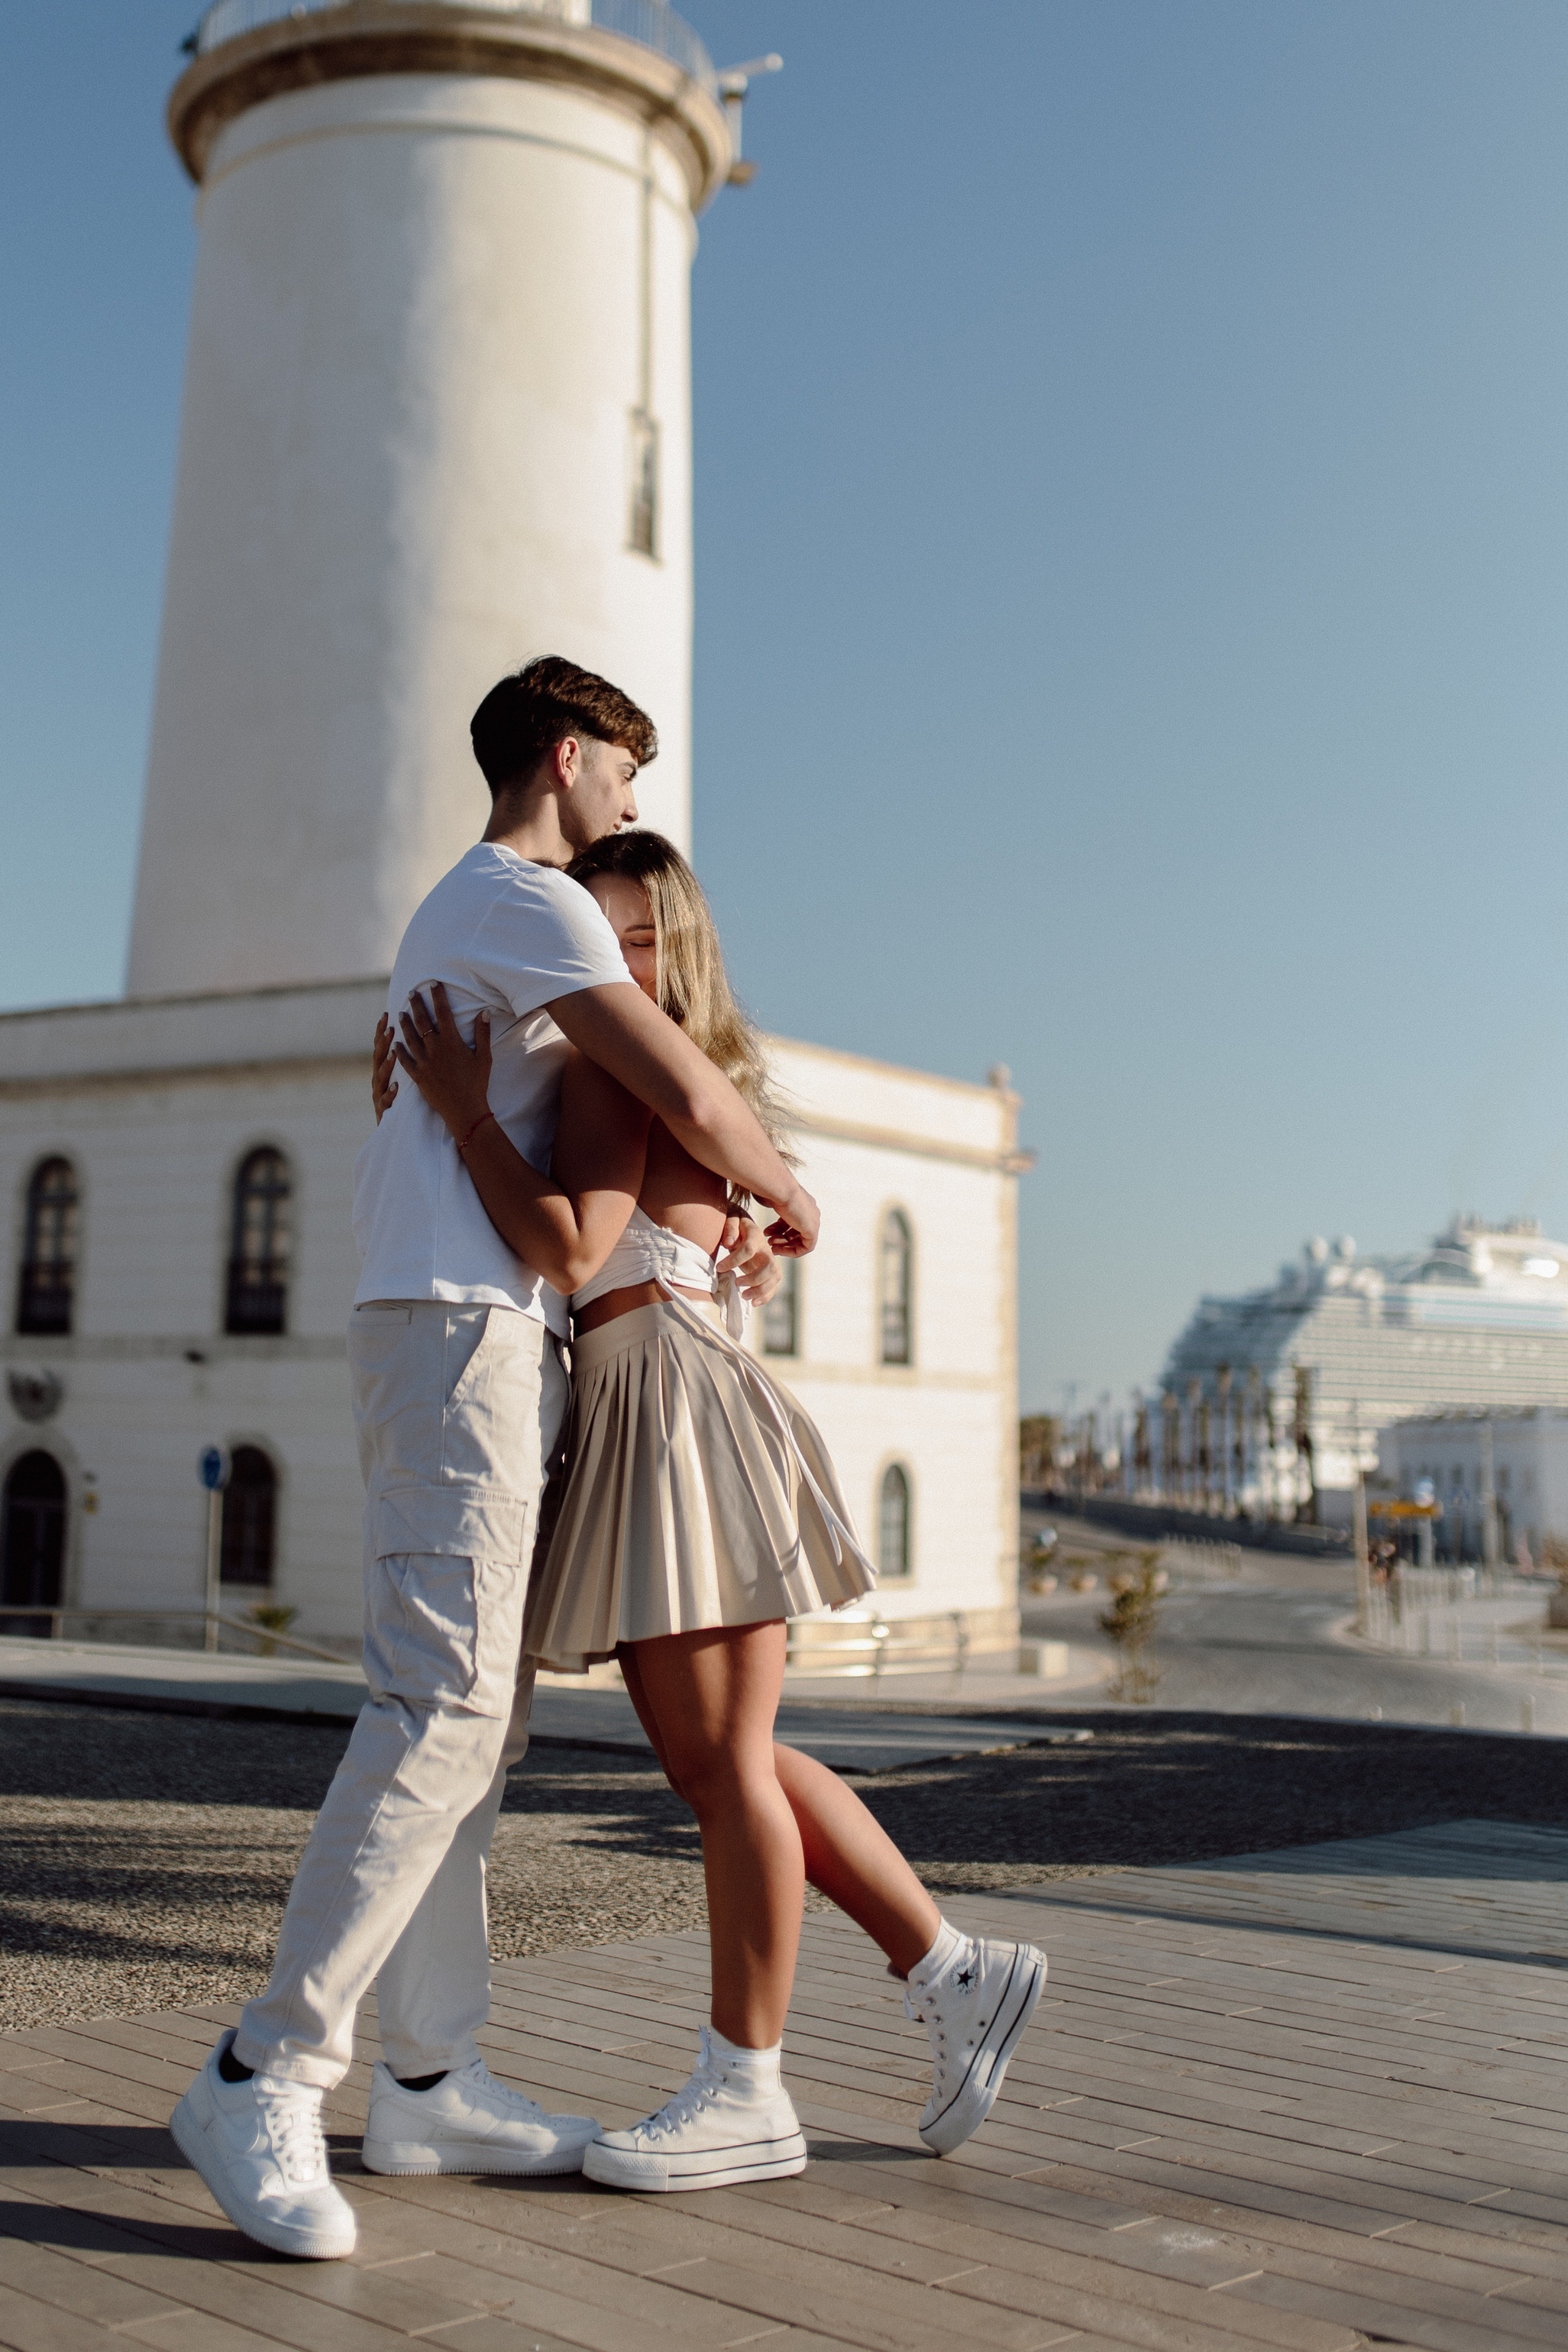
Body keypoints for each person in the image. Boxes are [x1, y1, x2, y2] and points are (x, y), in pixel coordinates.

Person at [170, 662, 820, 2258]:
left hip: (475, 1332)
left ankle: (429, 2077)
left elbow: (584, 1124)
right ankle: (264, 2071)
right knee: (438, 1707)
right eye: (624, 772)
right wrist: (784, 1194)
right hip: (457, 1330)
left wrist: (706, 1196)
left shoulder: (472, 919)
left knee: (479, 1723)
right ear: (567, 754)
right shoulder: (524, 898)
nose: (631, 805)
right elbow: (673, 1079)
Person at [386, 827, 1047, 2195]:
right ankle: (951, 1970)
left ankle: (748, 2085)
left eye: (637, 939)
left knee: (724, 1767)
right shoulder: (679, 1074)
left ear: (677, 950)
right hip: (667, 1391)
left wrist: (458, 1113)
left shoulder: (617, 1064)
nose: (609, 962)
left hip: (669, 1401)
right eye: (594, 933)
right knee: (730, 1759)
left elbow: (571, 1249)